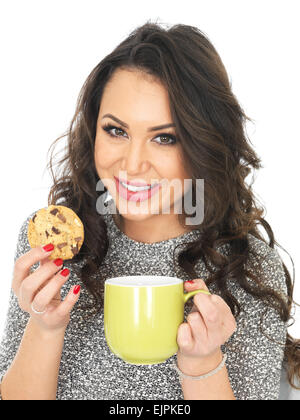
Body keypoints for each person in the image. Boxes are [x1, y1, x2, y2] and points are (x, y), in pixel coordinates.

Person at [0, 21, 299, 400]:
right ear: (93, 130)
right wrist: (44, 328)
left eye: (164, 138)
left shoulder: (250, 270)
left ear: (203, 142)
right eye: (116, 131)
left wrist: (203, 365)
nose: (133, 164)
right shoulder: (55, 253)